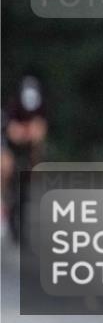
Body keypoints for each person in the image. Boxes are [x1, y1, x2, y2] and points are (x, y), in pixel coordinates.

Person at [2, 73, 49, 243]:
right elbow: (14, 133)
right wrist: (25, 131)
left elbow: (39, 131)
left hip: (29, 148)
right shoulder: (12, 107)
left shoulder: (41, 106)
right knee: (5, 166)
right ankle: (3, 205)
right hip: (8, 145)